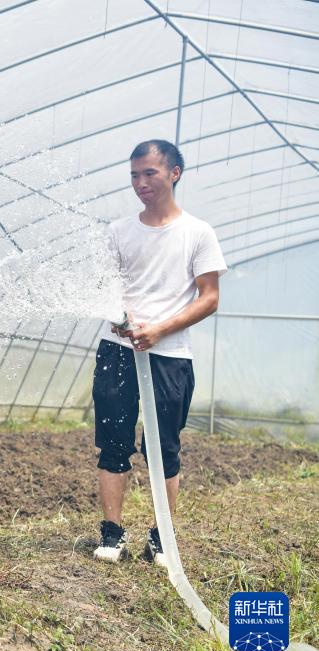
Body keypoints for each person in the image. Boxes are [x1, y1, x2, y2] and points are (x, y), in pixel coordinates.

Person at [93, 140, 226, 564]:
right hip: (118, 352)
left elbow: (209, 298)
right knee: (113, 443)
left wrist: (161, 330)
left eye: (149, 173)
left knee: (163, 449)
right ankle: (112, 534)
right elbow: (107, 287)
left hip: (170, 356)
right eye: (134, 175)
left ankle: (161, 537)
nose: (140, 183)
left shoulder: (198, 233)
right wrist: (119, 315)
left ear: (174, 173)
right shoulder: (119, 231)